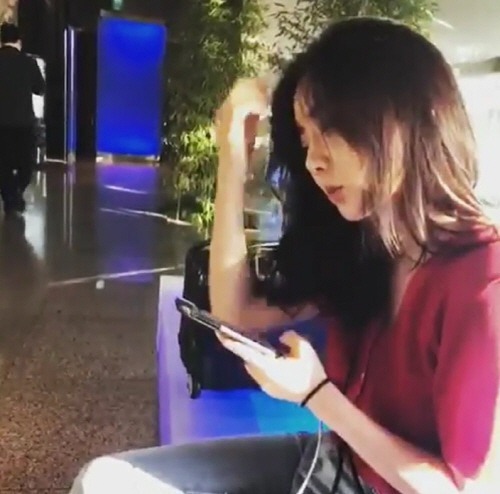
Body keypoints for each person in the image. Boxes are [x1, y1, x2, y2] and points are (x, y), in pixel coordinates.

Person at [69, 17, 500, 494]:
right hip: (332, 462)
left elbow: (463, 489)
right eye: (304, 138)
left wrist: (317, 394)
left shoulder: (484, 283)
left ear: (402, 121)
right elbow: (236, 313)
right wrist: (233, 159)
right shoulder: (365, 244)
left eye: (329, 130)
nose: (314, 161)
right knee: (104, 482)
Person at [0, 22, 45, 214]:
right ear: (19, 40)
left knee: (3, 165)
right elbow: (40, 88)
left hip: (1, 123)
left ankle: (11, 198)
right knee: (26, 164)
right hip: (23, 121)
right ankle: (16, 193)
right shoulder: (28, 62)